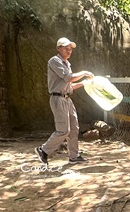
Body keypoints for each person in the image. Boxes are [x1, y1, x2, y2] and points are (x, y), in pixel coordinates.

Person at [35, 37, 94, 165]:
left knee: (74, 129)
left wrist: (84, 83)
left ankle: (74, 156)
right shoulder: (54, 61)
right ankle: (43, 150)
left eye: (70, 49)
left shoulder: (67, 64)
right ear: (58, 48)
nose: (69, 51)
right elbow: (68, 78)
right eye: (66, 48)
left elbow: (69, 86)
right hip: (58, 99)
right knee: (63, 130)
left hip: (67, 99)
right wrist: (84, 72)